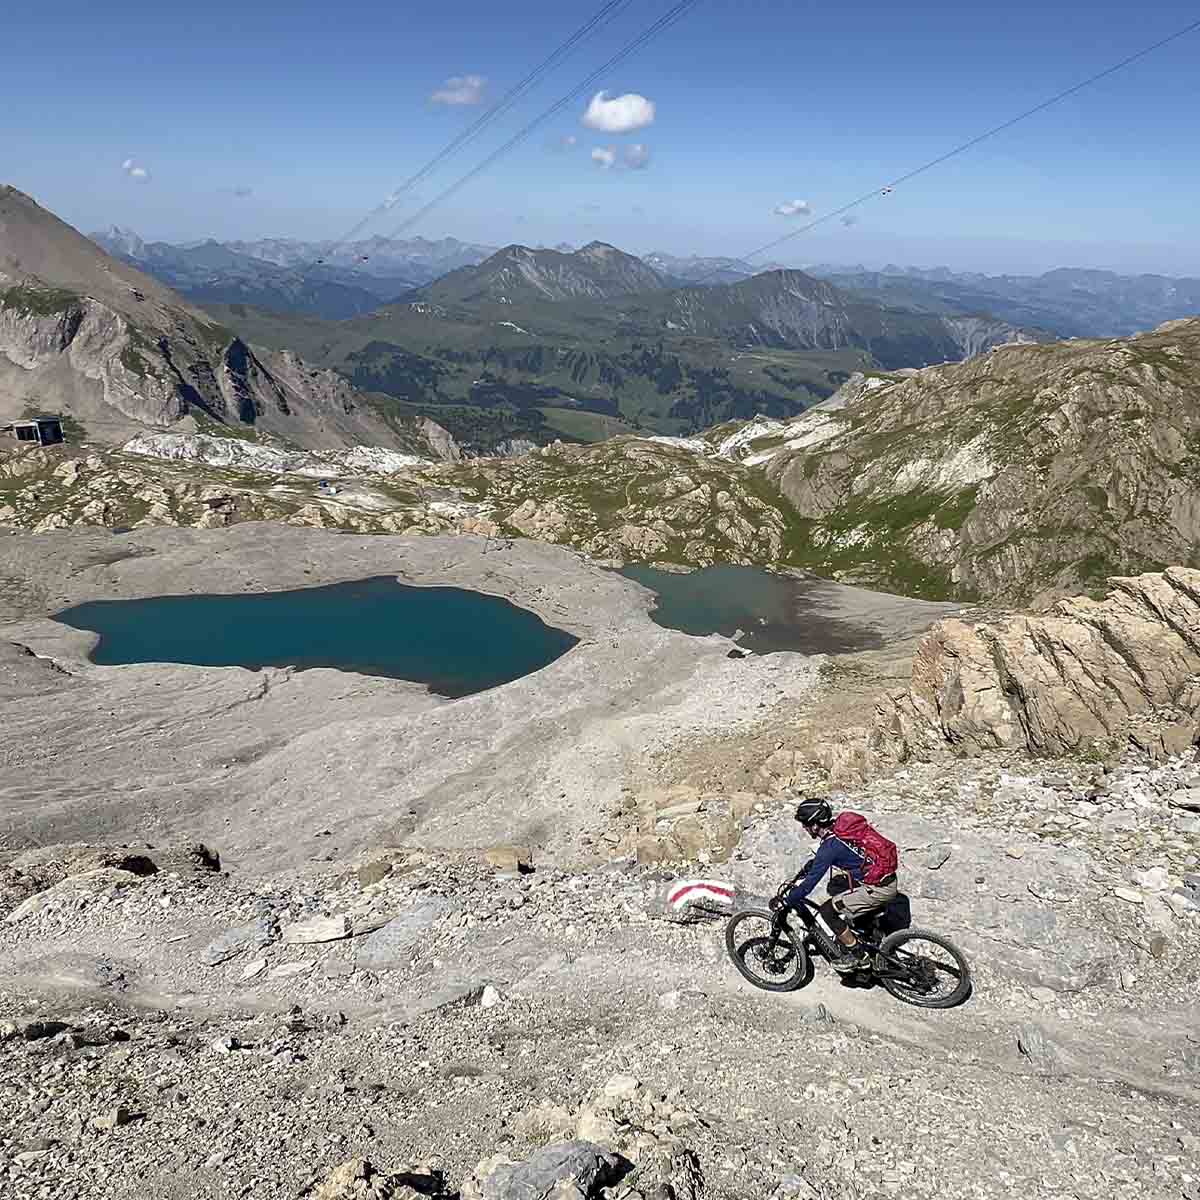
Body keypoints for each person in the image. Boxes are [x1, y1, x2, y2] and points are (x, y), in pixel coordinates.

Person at [775, 797, 900, 972]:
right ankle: (869, 933)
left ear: (815, 825)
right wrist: (808, 868)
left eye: (805, 824)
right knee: (841, 893)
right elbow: (827, 859)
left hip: (878, 889)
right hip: (887, 878)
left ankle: (859, 957)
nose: (804, 828)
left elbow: (808, 886)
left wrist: (787, 901)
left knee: (828, 911)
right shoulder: (841, 830)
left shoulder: (829, 848)